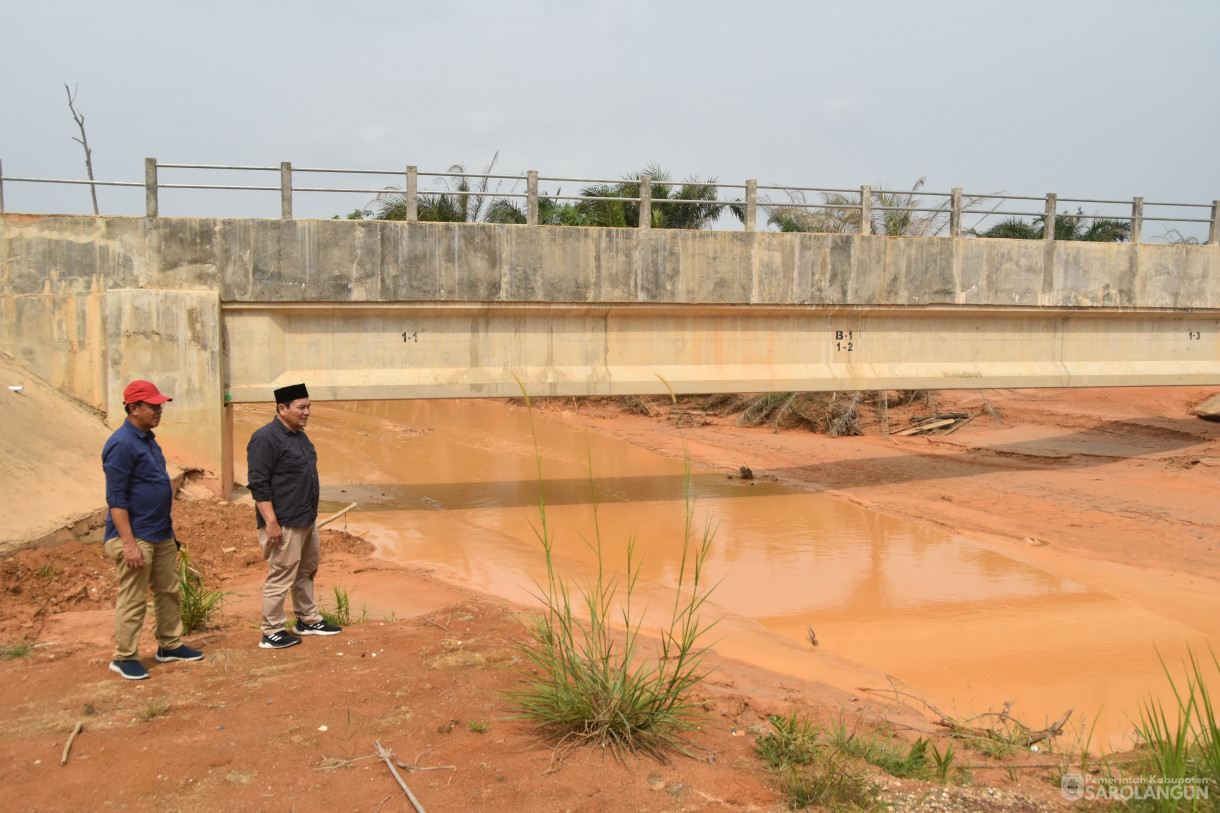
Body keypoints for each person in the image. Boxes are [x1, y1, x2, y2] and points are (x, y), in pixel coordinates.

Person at [102, 380, 204, 680]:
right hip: (136, 536)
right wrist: (129, 544)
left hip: (160, 534)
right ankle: (124, 657)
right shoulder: (121, 443)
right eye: (153, 406)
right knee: (133, 597)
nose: (159, 410)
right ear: (134, 408)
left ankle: (170, 645)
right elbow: (116, 500)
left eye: (160, 405)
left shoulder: (148, 439)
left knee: (168, 592)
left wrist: (170, 535)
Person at [247, 383, 342, 649]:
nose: (307, 412)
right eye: (301, 407)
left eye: (309, 406)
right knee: (281, 575)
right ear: (282, 408)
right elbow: (258, 483)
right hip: (283, 523)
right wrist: (272, 523)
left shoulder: (300, 436)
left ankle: (308, 619)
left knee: (306, 571)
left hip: (305, 519)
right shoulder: (265, 438)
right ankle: (272, 630)